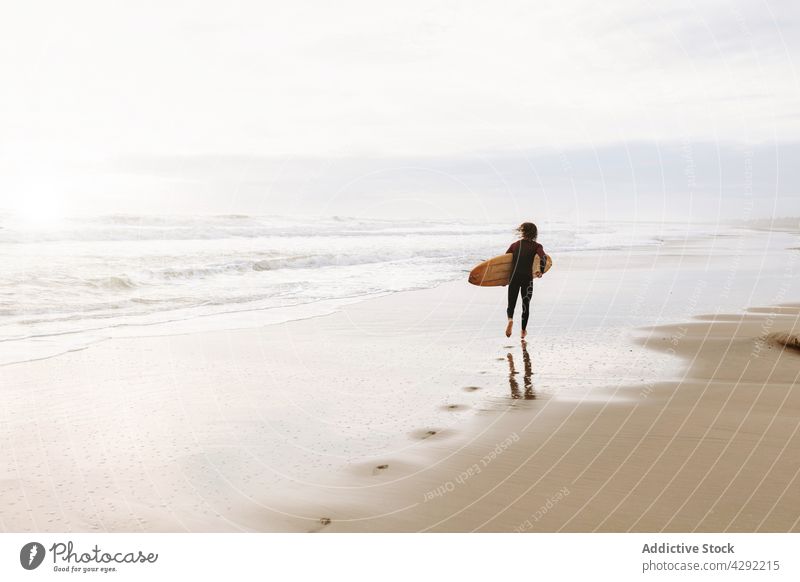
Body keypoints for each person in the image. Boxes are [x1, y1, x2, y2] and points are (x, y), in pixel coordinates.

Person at [505, 222, 546, 338]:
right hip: (527, 278)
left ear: (522, 232)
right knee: (525, 305)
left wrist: (503, 280)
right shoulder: (537, 246)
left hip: (514, 277)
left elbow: (504, 262)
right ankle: (523, 331)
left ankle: (510, 320)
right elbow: (543, 257)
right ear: (534, 233)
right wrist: (541, 270)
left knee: (511, 304)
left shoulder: (514, 245)